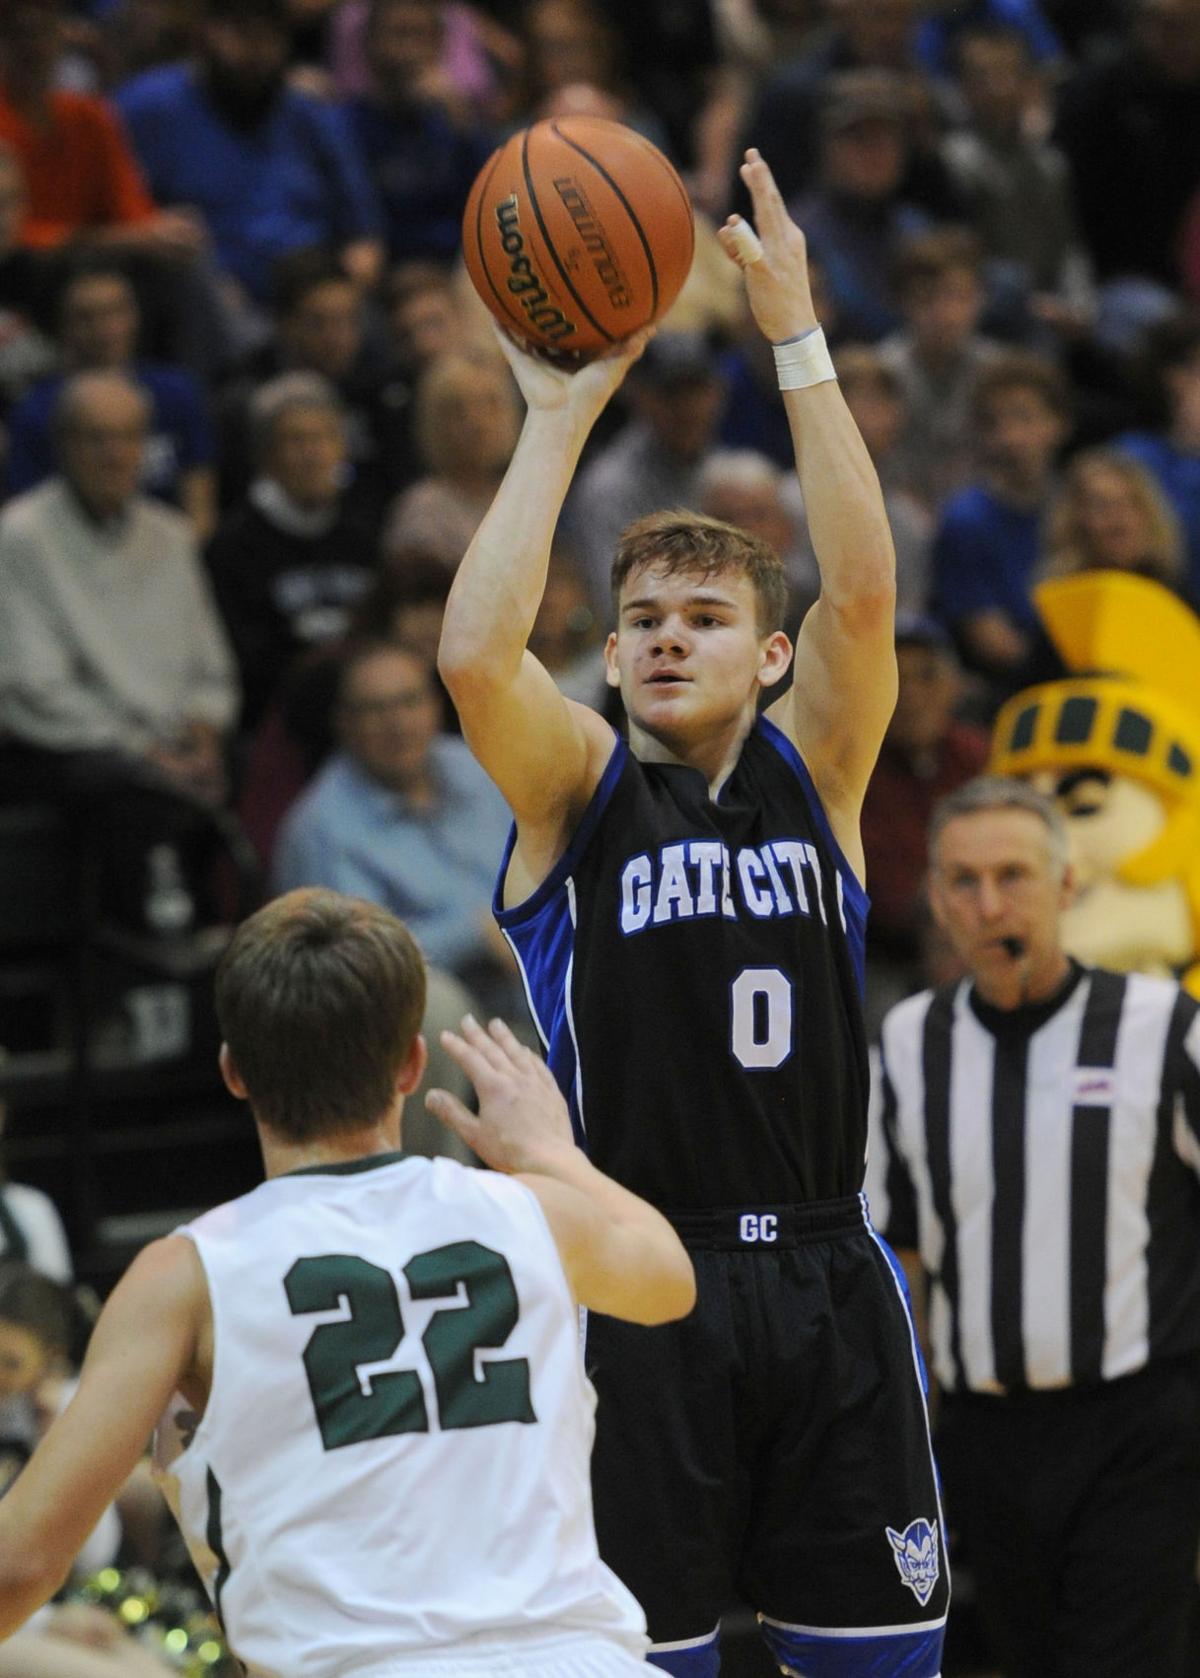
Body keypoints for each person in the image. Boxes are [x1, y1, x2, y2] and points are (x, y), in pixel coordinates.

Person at [437, 148, 946, 1677]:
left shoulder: (820, 772)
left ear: (771, 656)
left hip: (830, 1274)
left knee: (875, 1660)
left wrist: (796, 337)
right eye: (643, 620)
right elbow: (475, 659)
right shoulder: (579, 790)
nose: (667, 638)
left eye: (707, 618)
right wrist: (558, 416)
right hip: (640, 1283)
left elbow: (866, 594)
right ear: (609, 657)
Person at [0, 887, 696, 1677]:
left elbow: (22, 1564)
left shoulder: (184, 1276)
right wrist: (553, 1156)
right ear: (412, 1065)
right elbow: (670, 1278)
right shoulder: (535, 1211)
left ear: (233, 1072)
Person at [869, 775, 1200, 1678]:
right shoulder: (908, 1042)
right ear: (936, 898)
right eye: (964, 881)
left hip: (1139, 1428)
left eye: (1012, 876)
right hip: (985, 1439)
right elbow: (903, 1249)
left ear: (1066, 885)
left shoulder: (1162, 1027)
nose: (989, 905)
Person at [271, 638, 516, 1017]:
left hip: (525, 990)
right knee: (434, 1003)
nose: (398, 724)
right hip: (415, 1020)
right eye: (376, 710)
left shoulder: (475, 767)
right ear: (344, 723)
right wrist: (476, 933)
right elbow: (355, 964)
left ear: (436, 705)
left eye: (409, 701)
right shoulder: (322, 828)